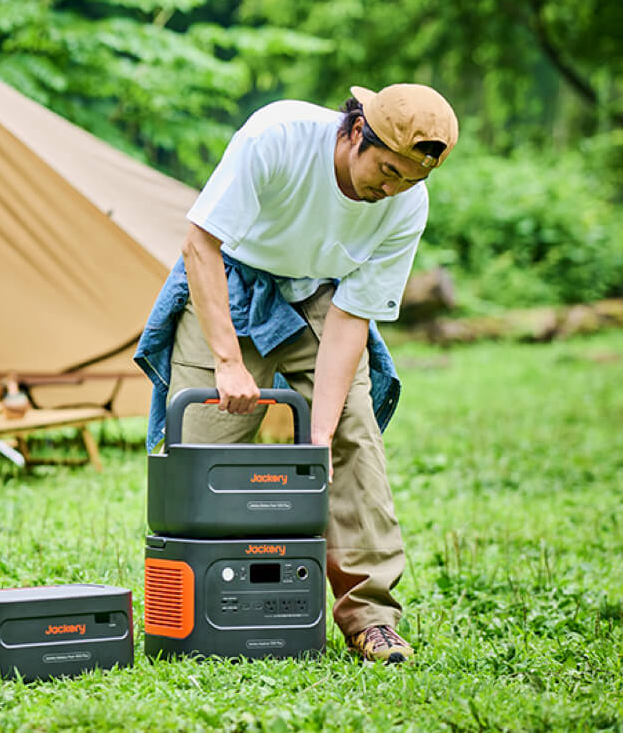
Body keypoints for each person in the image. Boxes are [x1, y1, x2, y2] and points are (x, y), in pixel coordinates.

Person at [135, 83, 458, 664]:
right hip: (232, 279)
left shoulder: (407, 204)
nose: (392, 189)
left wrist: (322, 434)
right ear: (357, 132)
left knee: (354, 436)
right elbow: (200, 244)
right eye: (386, 171)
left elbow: (353, 313)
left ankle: (372, 618)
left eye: (409, 180)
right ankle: (193, 609)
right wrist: (230, 364)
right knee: (200, 445)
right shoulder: (276, 136)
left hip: (320, 295)